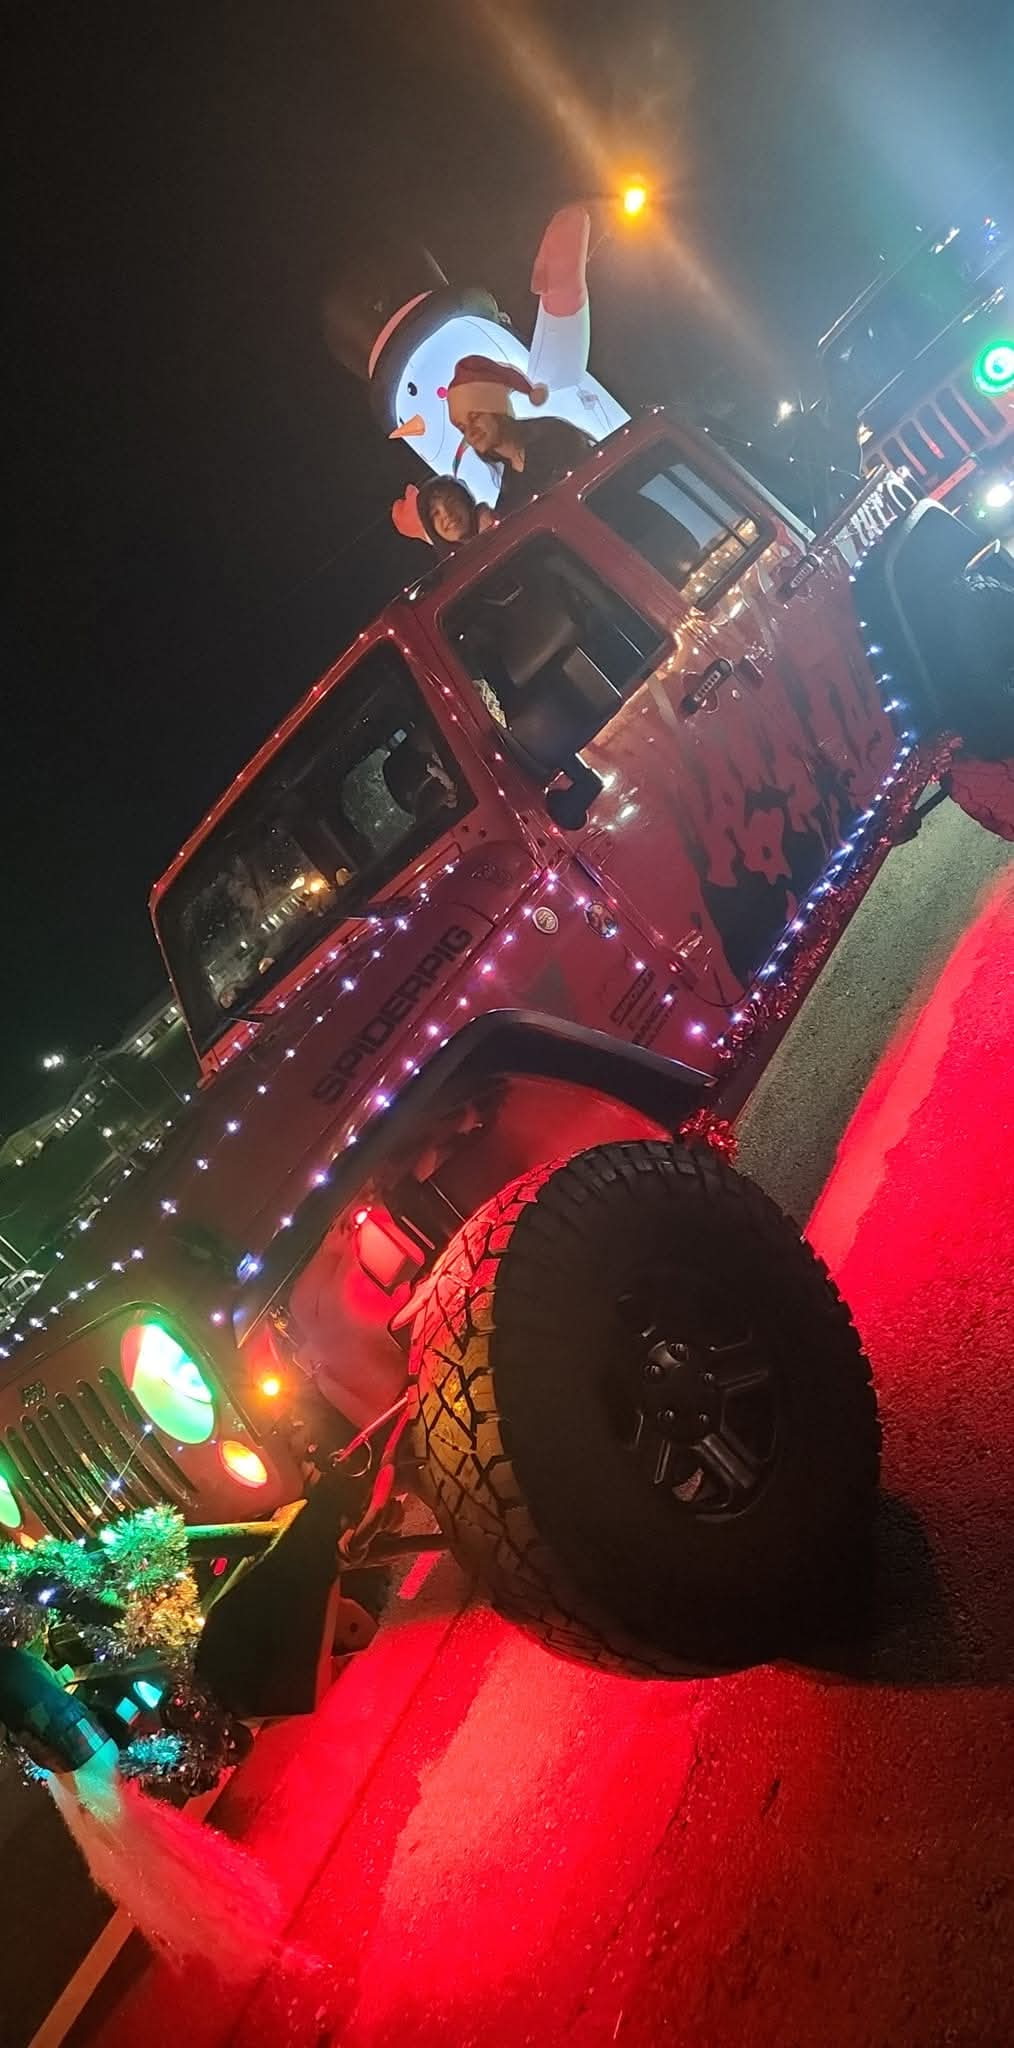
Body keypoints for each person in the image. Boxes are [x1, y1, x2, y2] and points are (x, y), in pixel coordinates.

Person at [445, 356, 594, 517]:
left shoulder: (554, 436)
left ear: (497, 411)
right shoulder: (508, 492)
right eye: (462, 428)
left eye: (475, 417)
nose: (470, 432)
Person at [415, 474, 494, 553]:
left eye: (451, 501)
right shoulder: (449, 564)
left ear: (466, 502)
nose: (446, 513)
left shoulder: (495, 520)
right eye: (435, 513)